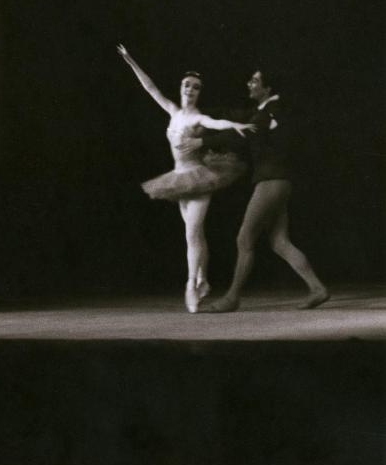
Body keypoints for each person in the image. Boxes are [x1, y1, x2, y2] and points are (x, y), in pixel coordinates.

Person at [117, 44, 255, 313]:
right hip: (178, 179)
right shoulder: (173, 111)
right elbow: (150, 88)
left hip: (199, 178)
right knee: (197, 234)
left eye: (195, 87)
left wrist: (235, 125)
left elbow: (217, 124)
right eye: (186, 85)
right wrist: (130, 59)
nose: (190, 89)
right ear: (180, 88)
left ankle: (191, 284)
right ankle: (203, 280)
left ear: (199, 92)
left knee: (191, 233)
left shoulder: (197, 117)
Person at [178, 70, 329, 312]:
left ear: (268, 88)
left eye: (255, 81)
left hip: (271, 182)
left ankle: (232, 297)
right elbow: (237, 118)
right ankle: (317, 288)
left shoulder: (272, 111)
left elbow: (242, 135)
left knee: (244, 238)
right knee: (279, 241)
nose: (249, 84)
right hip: (277, 181)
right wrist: (207, 116)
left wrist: (202, 142)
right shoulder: (263, 112)